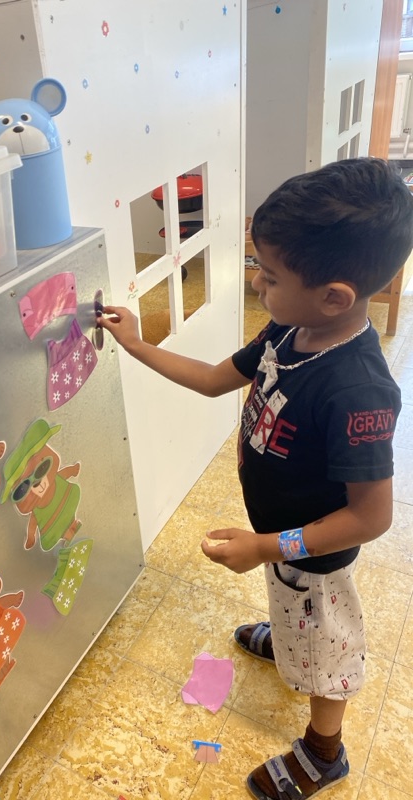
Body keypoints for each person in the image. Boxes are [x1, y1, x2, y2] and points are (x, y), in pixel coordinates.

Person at [98, 157, 413, 800]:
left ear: (334, 296)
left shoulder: (358, 390)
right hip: (279, 538)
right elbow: (216, 379)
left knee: (327, 652)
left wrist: (267, 546)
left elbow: (371, 517)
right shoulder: (292, 328)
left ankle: (324, 752)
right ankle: (288, 636)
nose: (254, 282)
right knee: (289, 601)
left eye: (268, 276)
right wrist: (136, 345)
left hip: (314, 557)